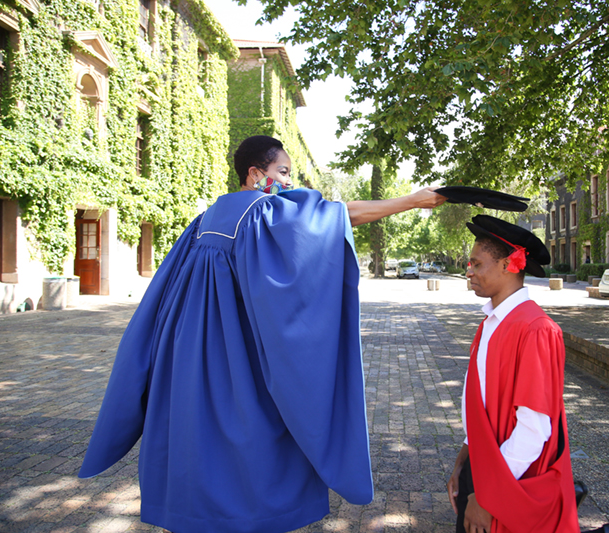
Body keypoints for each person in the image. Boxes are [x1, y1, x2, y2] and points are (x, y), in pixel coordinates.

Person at [78, 135, 446, 533]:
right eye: (283, 172)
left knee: (196, 445)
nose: (289, 183)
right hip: (236, 359)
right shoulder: (261, 212)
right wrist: (411, 200)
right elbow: (338, 216)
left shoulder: (206, 219)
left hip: (186, 361)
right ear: (256, 174)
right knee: (252, 450)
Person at [447, 214, 579, 533]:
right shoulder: (491, 323)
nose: (469, 271)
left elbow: (533, 429)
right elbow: (481, 405)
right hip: (481, 468)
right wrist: (463, 461)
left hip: (507, 482)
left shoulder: (536, 330)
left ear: (508, 265)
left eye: (477, 264)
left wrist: (488, 496)